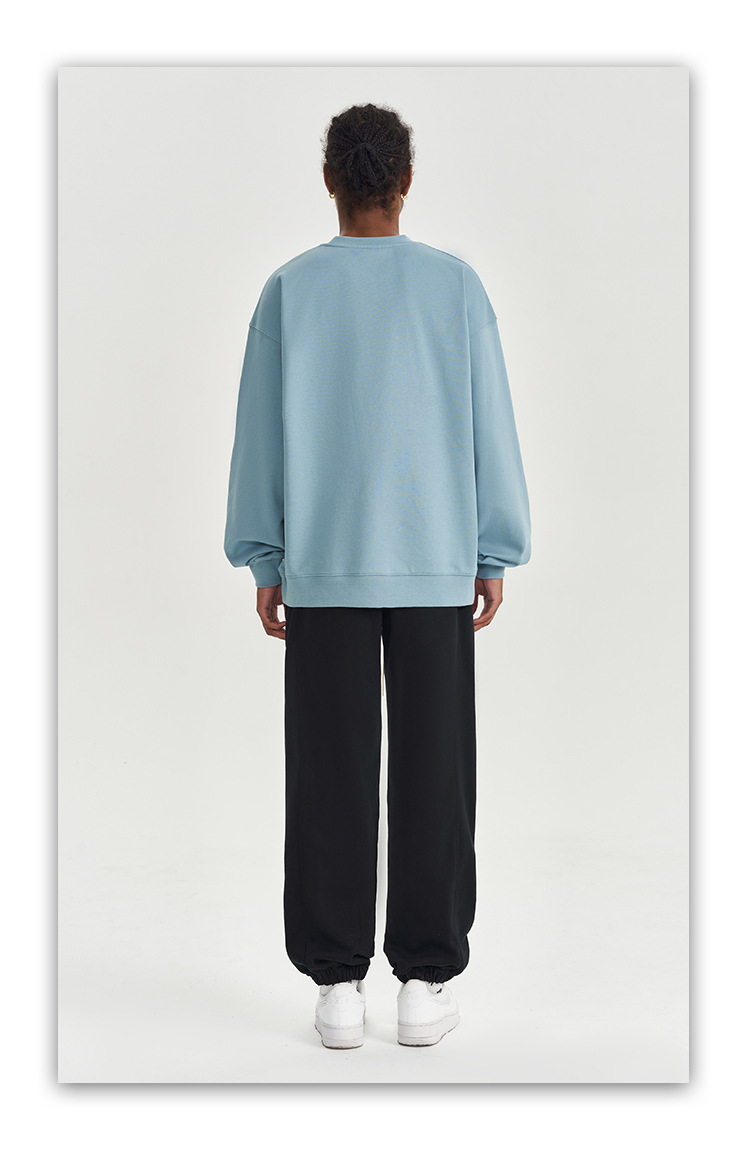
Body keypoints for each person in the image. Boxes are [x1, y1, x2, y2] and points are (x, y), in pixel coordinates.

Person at [224, 102, 531, 1049]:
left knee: (329, 774)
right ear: (405, 182)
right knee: (436, 774)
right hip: (436, 563)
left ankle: (337, 986)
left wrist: (266, 556)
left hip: (324, 567)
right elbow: (490, 422)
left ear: (332, 181)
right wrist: (492, 549)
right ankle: (424, 982)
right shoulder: (454, 286)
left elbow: (260, 434)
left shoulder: (290, 290)